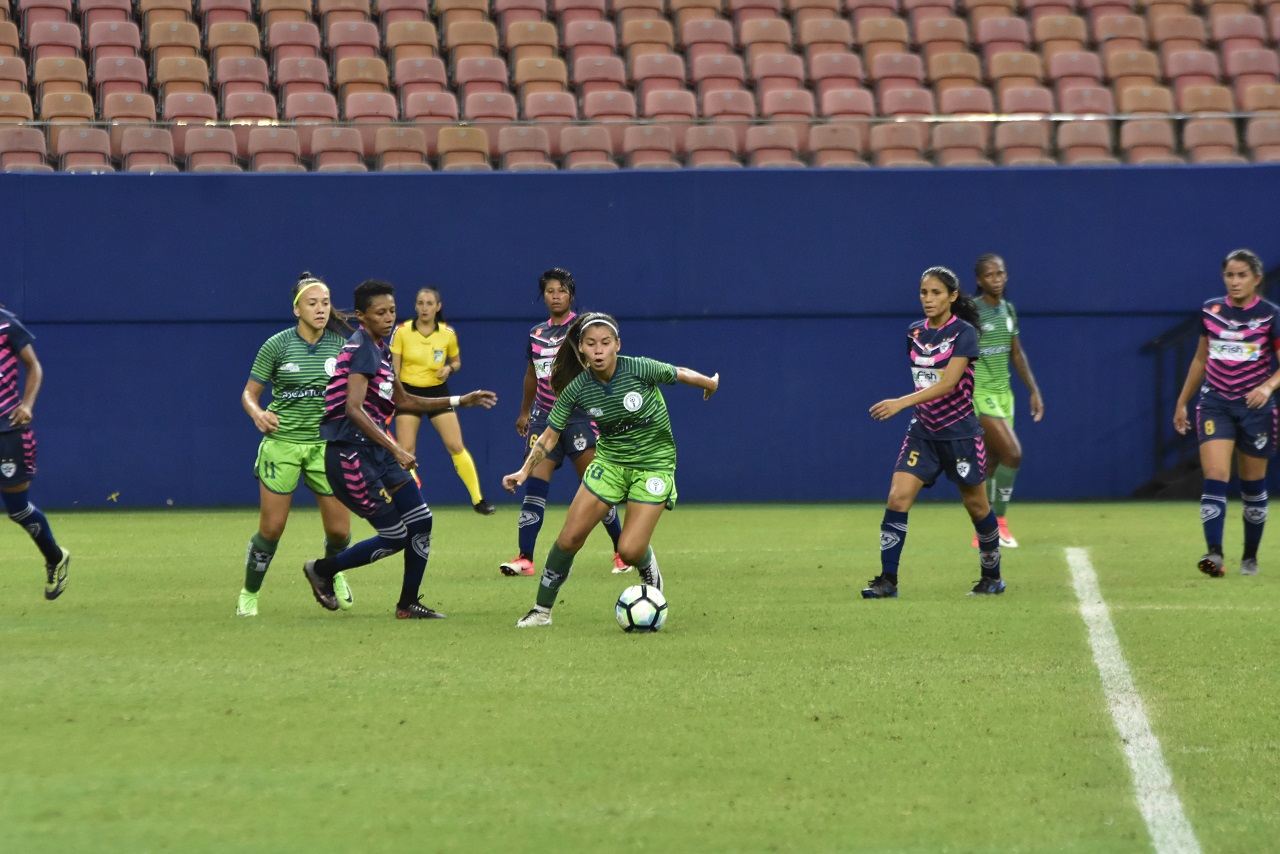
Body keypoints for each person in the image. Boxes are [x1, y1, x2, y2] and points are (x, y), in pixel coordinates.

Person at [502, 311, 719, 628]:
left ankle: (647, 565)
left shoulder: (638, 367)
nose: (599, 349)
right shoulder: (577, 388)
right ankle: (542, 611)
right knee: (569, 539)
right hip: (610, 463)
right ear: (581, 349)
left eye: (606, 342)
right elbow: (549, 435)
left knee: (629, 551)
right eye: (591, 344)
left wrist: (709, 383)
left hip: (653, 464)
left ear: (618, 344)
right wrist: (524, 472)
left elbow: (679, 372)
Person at [300, 279, 497, 619]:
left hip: (376, 453)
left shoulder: (383, 347)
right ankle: (322, 569)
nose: (389, 317)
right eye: (380, 312)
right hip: (350, 455)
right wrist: (396, 447)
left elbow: (402, 399)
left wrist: (458, 400)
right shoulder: (362, 347)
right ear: (363, 316)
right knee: (395, 536)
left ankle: (408, 604)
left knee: (421, 522)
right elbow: (353, 408)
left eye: (392, 310)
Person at [863, 266, 1007, 600]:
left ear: (953, 296)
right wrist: (911, 407)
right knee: (897, 498)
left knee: (977, 507)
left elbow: (948, 384)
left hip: (960, 435)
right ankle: (887, 581)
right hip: (923, 433)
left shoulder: (965, 333)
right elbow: (925, 380)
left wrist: (900, 402)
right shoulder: (914, 332)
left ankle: (992, 577)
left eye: (936, 293)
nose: (928, 299)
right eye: (924, 293)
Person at [237, 273, 354, 617]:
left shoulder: (341, 347)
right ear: (297, 309)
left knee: (339, 530)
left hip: (325, 445)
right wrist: (257, 413)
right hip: (283, 445)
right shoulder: (276, 345)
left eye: (325, 303)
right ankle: (249, 592)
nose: (320, 309)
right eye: (312, 303)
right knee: (271, 529)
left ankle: (332, 572)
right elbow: (249, 393)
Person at [500, 268, 630, 578]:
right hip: (543, 419)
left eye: (561, 290)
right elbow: (532, 374)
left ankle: (622, 552)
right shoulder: (535, 334)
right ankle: (525, 558)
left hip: (580, 417)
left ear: (571, 294)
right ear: (542, 296)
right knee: (533, 486)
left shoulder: (582, 329)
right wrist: (523, 412)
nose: (555, 295)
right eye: (549, 291)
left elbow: (603, 364)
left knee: (597, 489)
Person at [1173, 249, 1280, 578]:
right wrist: (1181, 402)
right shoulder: (1211, 310)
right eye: (1230, 276)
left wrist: (1267, 387)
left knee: (1252, 484)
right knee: (1216, 474)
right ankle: (1215, 555)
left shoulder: (1270, 315)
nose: (1235, 282)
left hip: (1255, 407)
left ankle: (1250, 556)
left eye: (1242, 275)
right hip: (1215, 402)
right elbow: (1200, 360)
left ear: (1257, 279)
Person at [389, 287, 494, 515]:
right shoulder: (402, 332)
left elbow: (456, 362)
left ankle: (478, 500)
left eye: (429, 303)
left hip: (437, 392)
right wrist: (396, 395)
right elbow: (393, 370)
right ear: (415, 306)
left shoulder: (448, 334)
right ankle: (410, 503)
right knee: (406, 451)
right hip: (408, 393)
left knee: (455, 445)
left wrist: (449, 368)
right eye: (420, 303)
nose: (424, 308)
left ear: (438, 306)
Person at [969, 254, 1044, 549]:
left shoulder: (1008, 309)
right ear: (979, 280)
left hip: (1004, 394)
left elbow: (1016, 353)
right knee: (1013, 453)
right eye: (989, 275)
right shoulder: (972, 312)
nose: (996, 279)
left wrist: (1033, 389)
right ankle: (999, 525)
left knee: (991, 464)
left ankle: (982, 532)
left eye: (1000, 273)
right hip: (980, 393)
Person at [0, 304, 69, 600]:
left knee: (17, 509)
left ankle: (55, 557)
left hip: (8, 431)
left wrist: (27, 405)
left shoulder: (7, 325)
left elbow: (34, 366)